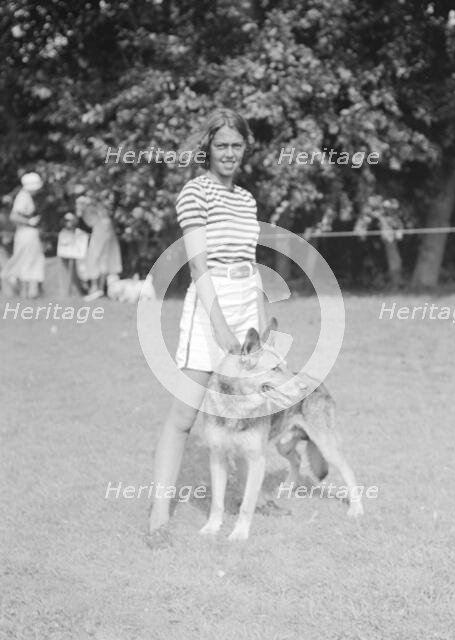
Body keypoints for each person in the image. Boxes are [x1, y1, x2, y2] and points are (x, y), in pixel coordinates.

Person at [148, 108, 272, 545]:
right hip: (209, 303)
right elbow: (198, 263)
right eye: (222, 145)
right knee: (184, 415)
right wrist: (219, 326)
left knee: (246, 410)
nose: (230, 153)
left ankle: (244, 498)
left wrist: (258, 319)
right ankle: (159, 515)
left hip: (245, 298)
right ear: (208, 147)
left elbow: (251, 262)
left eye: (237, 145)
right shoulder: (195, 193)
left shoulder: (246, 199)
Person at [1, 172, 45, 298]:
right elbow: (14, 216)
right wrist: (29, 221)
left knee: (30, 261)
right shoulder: (23, 196)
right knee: (26, 261)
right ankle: (25, 292)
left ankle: (29, 292)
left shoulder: (25, 196)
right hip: (26, 233)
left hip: (27, 233)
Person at [76, 192, 122, 300]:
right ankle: (99, 288)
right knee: (102, 258)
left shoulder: (90, 204)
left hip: (101, 230)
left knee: (95, 257)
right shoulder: (97, 205)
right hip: (104, 229)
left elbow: (80, 214)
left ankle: (95, 288)